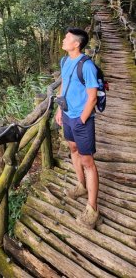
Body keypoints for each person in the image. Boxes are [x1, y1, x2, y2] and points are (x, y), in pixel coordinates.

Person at [55, 27, 101, 229]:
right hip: (66, 115)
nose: (63, 41)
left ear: (76, 44)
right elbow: (64, 83)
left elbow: (92, 97)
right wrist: (59, 109)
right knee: (72, 148)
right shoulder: (65, 61)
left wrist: (82, 119)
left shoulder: (87, 66)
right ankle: (81, 185)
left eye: (67, 39)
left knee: (88, 161)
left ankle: (93, 209)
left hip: (81, 119)